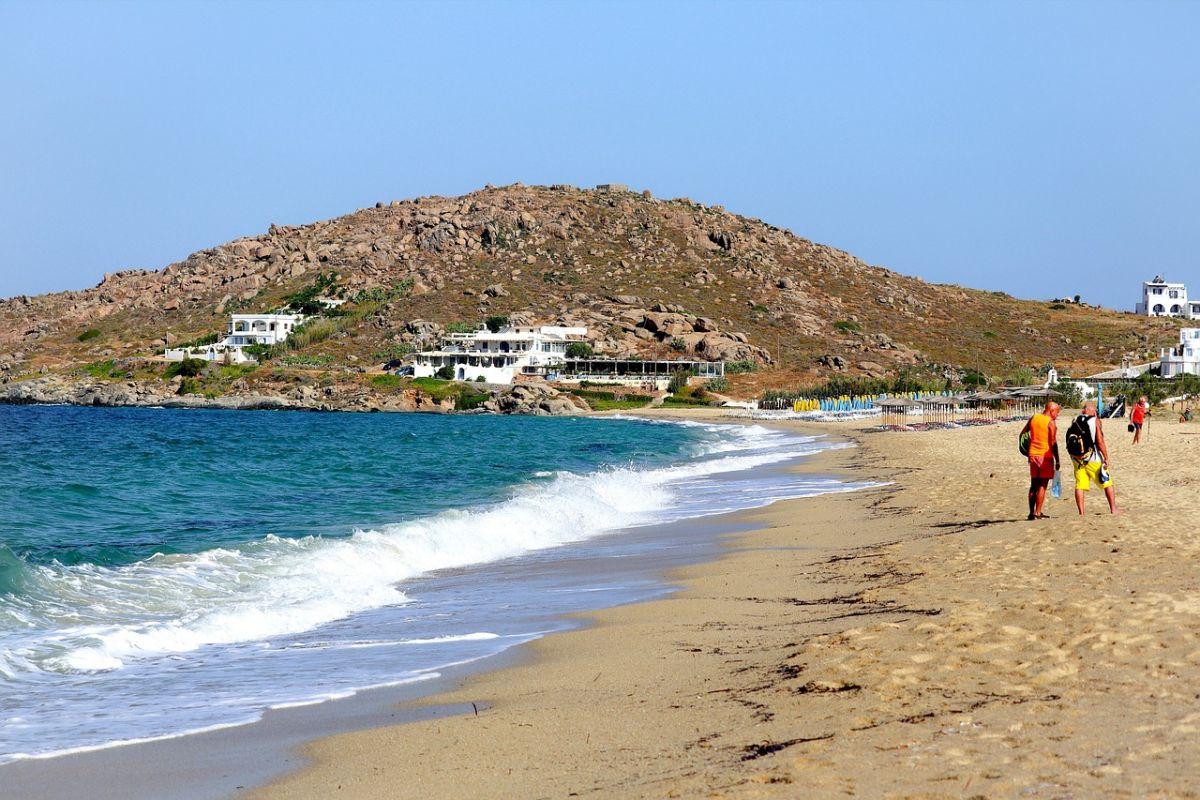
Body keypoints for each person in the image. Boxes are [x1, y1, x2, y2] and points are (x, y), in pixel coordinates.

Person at [1070, 401, 1121, 515]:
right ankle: (1113, 509)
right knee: (1107, 481)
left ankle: (1081, 513)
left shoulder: (1075, 420)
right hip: (1092, 458)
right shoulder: (1095, 421)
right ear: (1092, 411)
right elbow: (1099, 441)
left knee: (1080, 485)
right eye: (1095, 411)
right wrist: (1106, 457)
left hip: (1076, 458)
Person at [1020, 401, 1060, 520]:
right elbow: (1053, 442)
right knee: (1042, 485)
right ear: (1051, 410)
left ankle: (1031, 513)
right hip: (1045, 456)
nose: (1057, 416)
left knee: (1033, 485)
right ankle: (1038, 512)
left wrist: (1026, 450)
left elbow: (1023, 434)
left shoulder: (1034, 418)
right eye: (1057, 413)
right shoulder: (1051, 423)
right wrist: (1057, 459)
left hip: (1032, 455)